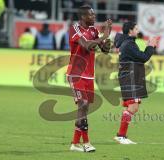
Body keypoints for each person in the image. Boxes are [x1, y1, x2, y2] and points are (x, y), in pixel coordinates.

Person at [67, 5, 112, 152]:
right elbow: (86, 45)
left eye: (94, 14)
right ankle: (86, 143)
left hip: (89, 75)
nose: (94, 17)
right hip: (76, 73)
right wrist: (103, 37)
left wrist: (107, 38)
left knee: (84, 109)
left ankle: (74, 144)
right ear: (83, 17)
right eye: (91, 15)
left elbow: (104, 50)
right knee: (83, 104)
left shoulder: (93, 30)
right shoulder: (75, 28)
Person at [113, 21, 158, 144]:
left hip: (129, 77)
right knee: (133, 106)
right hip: (130, 77)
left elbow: (138, 58)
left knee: (132, 107)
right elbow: (143, 57)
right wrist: (151, 46)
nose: (138, 31)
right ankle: (121, 136)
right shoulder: (129, 44)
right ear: (130, 31)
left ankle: (121, 135)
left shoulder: (126, 43)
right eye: (136, 29)